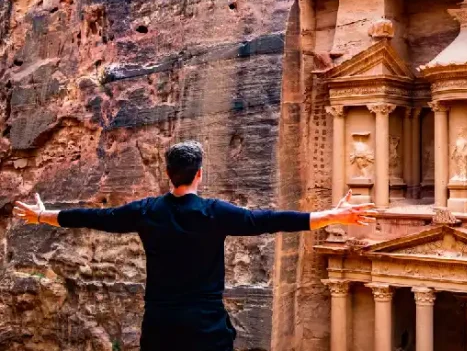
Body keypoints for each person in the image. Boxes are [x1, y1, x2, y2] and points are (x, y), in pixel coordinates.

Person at [13, 140, 376, 351]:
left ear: (167, 174)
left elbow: (96, 218)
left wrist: (43, 216)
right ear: (200, 174)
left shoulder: (146, 211)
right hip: (205, 327)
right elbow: (269, 220)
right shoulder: (214, 213)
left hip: (160, 326)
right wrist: (332, 215)